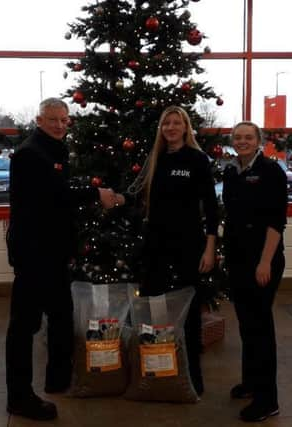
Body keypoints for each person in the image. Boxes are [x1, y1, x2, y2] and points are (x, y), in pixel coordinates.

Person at [5, 98, 117, 421]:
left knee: (60, 314)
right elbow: (55, 194)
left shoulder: (56, 149)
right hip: (33, 254)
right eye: (52, 119)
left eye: (63, 120)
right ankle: (19, 396)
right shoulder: (30, 154)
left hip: (53, 253)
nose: (58, 125)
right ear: (39, 120)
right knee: (24, 325)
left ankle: (57, 379)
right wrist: (96, 194)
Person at [118, 105, 218, 396]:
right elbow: (137, 195)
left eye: (176, 123)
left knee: (189, 315)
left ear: (186, 128)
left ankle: (193, 380)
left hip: (189, 246)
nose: (171, 128)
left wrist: (210, 249)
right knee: (153, 309)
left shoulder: (197, 160)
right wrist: (116, 199)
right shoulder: (157, 159)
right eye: (166, 124)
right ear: (161, 129)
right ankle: (157, 375)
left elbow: (211, 208)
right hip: (156, 246)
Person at [222, 121, 287, 422]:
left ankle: (267, 399)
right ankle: (251, 383)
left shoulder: (272, 172)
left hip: (263, 260)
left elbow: (276, 222)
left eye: (249, 137)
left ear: (259, 141)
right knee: (246, 324)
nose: (243, 141)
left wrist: (265, 262)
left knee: (260, 329)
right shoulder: (231, 172)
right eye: (238, 137)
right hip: (238, 260)